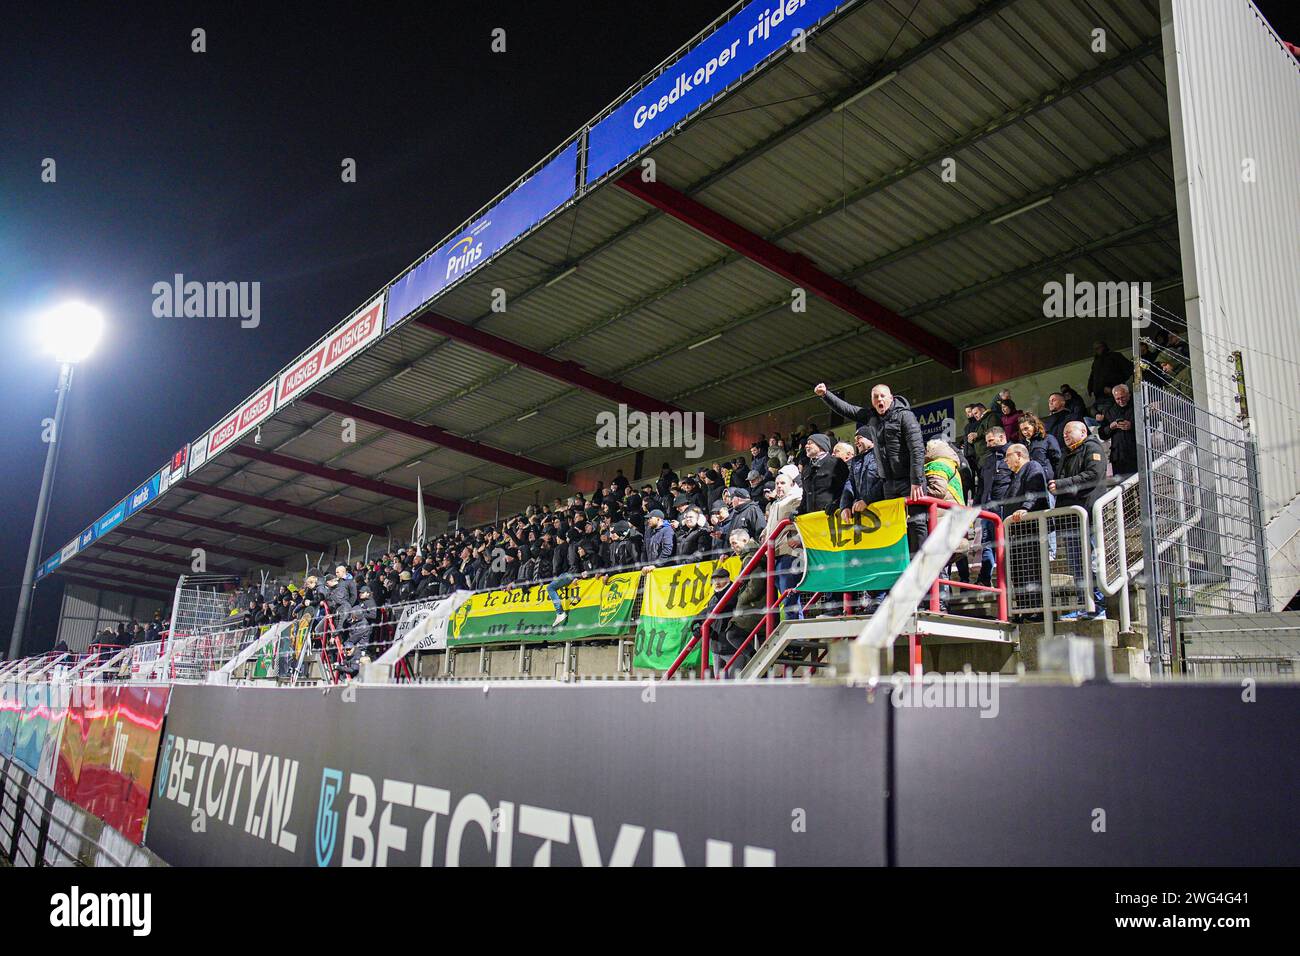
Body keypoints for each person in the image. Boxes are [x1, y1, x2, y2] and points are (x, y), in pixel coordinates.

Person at [1049, 421, 1108, 618]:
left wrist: (1062, 484)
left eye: (1069, 431)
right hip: (1070, 519)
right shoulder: (1067, 454)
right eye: (1063, 432)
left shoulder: (1092, 448)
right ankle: (1086, 606)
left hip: (1088, 515)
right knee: (1077, 566)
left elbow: (1093, 475)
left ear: (1083, 431)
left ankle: (1098, 606)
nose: (1065, 435)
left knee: (1092, 563)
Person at [763, 471, 804, 619]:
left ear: (792, 484)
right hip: (774, 553)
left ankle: (797, 633)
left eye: (783, 483)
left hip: (790, 552)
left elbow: (803, 520)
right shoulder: (775, 504)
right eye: (777, 484)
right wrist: (763, 536)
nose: (779, 486)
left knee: (789, 595)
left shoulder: (797, 499)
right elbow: (770, 527)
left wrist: (798, 537)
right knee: (784, 594)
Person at [976, 426, 1013, 586]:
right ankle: (985, 578)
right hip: (987, 509)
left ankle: (1007, 580)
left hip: (1004, 507)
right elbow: (982, 485)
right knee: (987, 544)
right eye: (987, 442)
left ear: (1002, 437)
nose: (989, 444)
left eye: (991, 440)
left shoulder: (1013, 454)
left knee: (1004, 544)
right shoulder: (988, 459)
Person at [798, 432, 849, 517]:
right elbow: (805, 494)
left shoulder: (836, 463)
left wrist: (836, 504)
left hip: (833, 518)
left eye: (810, 443)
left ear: (821, 445)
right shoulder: (806, 468)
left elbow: (846, 488)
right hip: (812, 519)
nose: (806, 446)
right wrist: (800, 509)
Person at [1097, 382, 1137, 476]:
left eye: (1123, 397)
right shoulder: (1110, 411)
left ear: (1129, 395)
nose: (1121, 401)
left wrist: (1132, 426)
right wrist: (1111, 427)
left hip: (1136, 453)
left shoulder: (1137, 406)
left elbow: (1148, 426)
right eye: (1117, 399)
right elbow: (1102, 434)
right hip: (1118, 456)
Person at [1087, 341, 1133, 410]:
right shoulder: (1096, 362)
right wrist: (1090, 388)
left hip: (1114, 395)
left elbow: (1128, 369)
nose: (1097, 350)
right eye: (1095, 349)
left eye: (1098, 348)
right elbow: (1093, 376)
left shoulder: (1115, 356)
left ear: (1104, 347)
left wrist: (1115, 388)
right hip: (1099, 396)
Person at [1017, 412, 1062, 481]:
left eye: (1026, 428)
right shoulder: (1023, 443)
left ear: (1034, 425)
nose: (1024, 432)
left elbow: (1058, 461)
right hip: (1030, 480)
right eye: (1022, 430)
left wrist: (1057, 481)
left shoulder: (1048, 439)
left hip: (1047, 480)